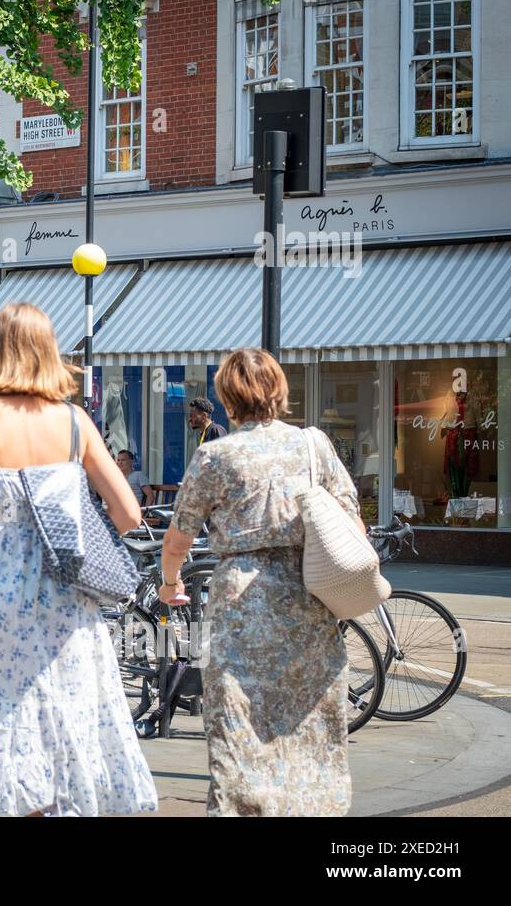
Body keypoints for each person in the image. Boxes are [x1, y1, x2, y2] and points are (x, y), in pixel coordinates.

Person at [0, 302, 157, 817]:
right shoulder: (75, 422)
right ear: (48, 352)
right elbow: (129, 512)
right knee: (60, 713)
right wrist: (74, 527)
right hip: (63, 592)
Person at [159, 349, 362, 816]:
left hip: (242, 607)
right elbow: (352, 524)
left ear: (227, 396)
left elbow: (178, 540)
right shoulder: (314, 445)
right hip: (309, 603)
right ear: (279, 391)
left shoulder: (216, 455)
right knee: (312, 724)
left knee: (240, 725)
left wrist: (171, 584)